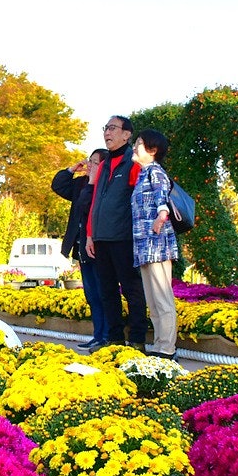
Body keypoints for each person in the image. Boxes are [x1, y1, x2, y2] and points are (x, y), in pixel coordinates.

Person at [85, 115, 148, 349]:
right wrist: (90, 234)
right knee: (107, 291)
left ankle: (137, 340)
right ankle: (114, 339)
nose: (107, 133)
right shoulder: (103, 165)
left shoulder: (133, 163)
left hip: (124, 237)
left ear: (126, 134)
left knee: (132, 290)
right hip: (101, 237)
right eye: (106, 128)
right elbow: (95, 202)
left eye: (112, 128)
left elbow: (141, 200)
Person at [52, 148, 109, 349]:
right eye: (89, 161)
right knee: (91, 294)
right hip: (81, 247)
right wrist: (71, 170)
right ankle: (98, 335)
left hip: (98, 246)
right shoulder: (81, 183)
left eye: (95, 162)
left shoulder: (105, 185)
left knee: (103, 293)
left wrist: (93, 181)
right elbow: (58, 186)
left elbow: (87, 206)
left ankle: (107, 336)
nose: (89, 165)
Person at [130, 128, 179, 358]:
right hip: (144, 246)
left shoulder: (155, 172)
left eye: (139, 143)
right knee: (153, 300)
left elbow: (162, 196)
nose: (134, 147)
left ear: (152, 150)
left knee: (162, 298)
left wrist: (162, 215)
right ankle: (160, 346)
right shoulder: (143, 174)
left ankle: (167, 349)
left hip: (157, 245)